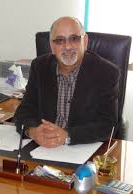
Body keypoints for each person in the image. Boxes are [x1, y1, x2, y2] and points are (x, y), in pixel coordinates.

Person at [14, 16, 120, 148]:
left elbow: (108, 125)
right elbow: (24, 111)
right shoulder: (39, 67)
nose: (68, 46)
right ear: (52, 46)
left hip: (82, 149)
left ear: (85, 42)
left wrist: (67, 135)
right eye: (59, 40)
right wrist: (33, 132)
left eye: (74, 38)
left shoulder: (106, 72)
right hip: (44, 148)